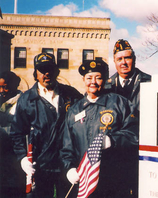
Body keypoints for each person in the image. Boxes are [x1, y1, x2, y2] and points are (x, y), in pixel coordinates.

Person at [60, 59, 139, 198]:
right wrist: (69, 168)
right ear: (84, 80)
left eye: (98, 77)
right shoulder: (74, 111)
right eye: (89, 78)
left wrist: (112, 140)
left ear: (104, 80)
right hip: (86, 179)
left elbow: (134, 133)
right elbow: (67, 146)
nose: (93, 82)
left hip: (114, 179)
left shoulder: (120, 103)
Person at [10, 52, 83, 198]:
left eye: (50, 68)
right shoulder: (26, 100)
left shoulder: (71, 94)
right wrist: (23, 158)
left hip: (67, 165)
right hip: (41, 166)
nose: (47, 73)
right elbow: (17, 133)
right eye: (42, 70)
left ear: (57, 71)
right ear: (36, 73)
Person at [105, 39, 151, 115]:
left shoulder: (149, 82)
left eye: (127, 58)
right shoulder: (106, 87)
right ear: (114, 61)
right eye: (119, 59)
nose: (123, 62)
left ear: (134, 59)